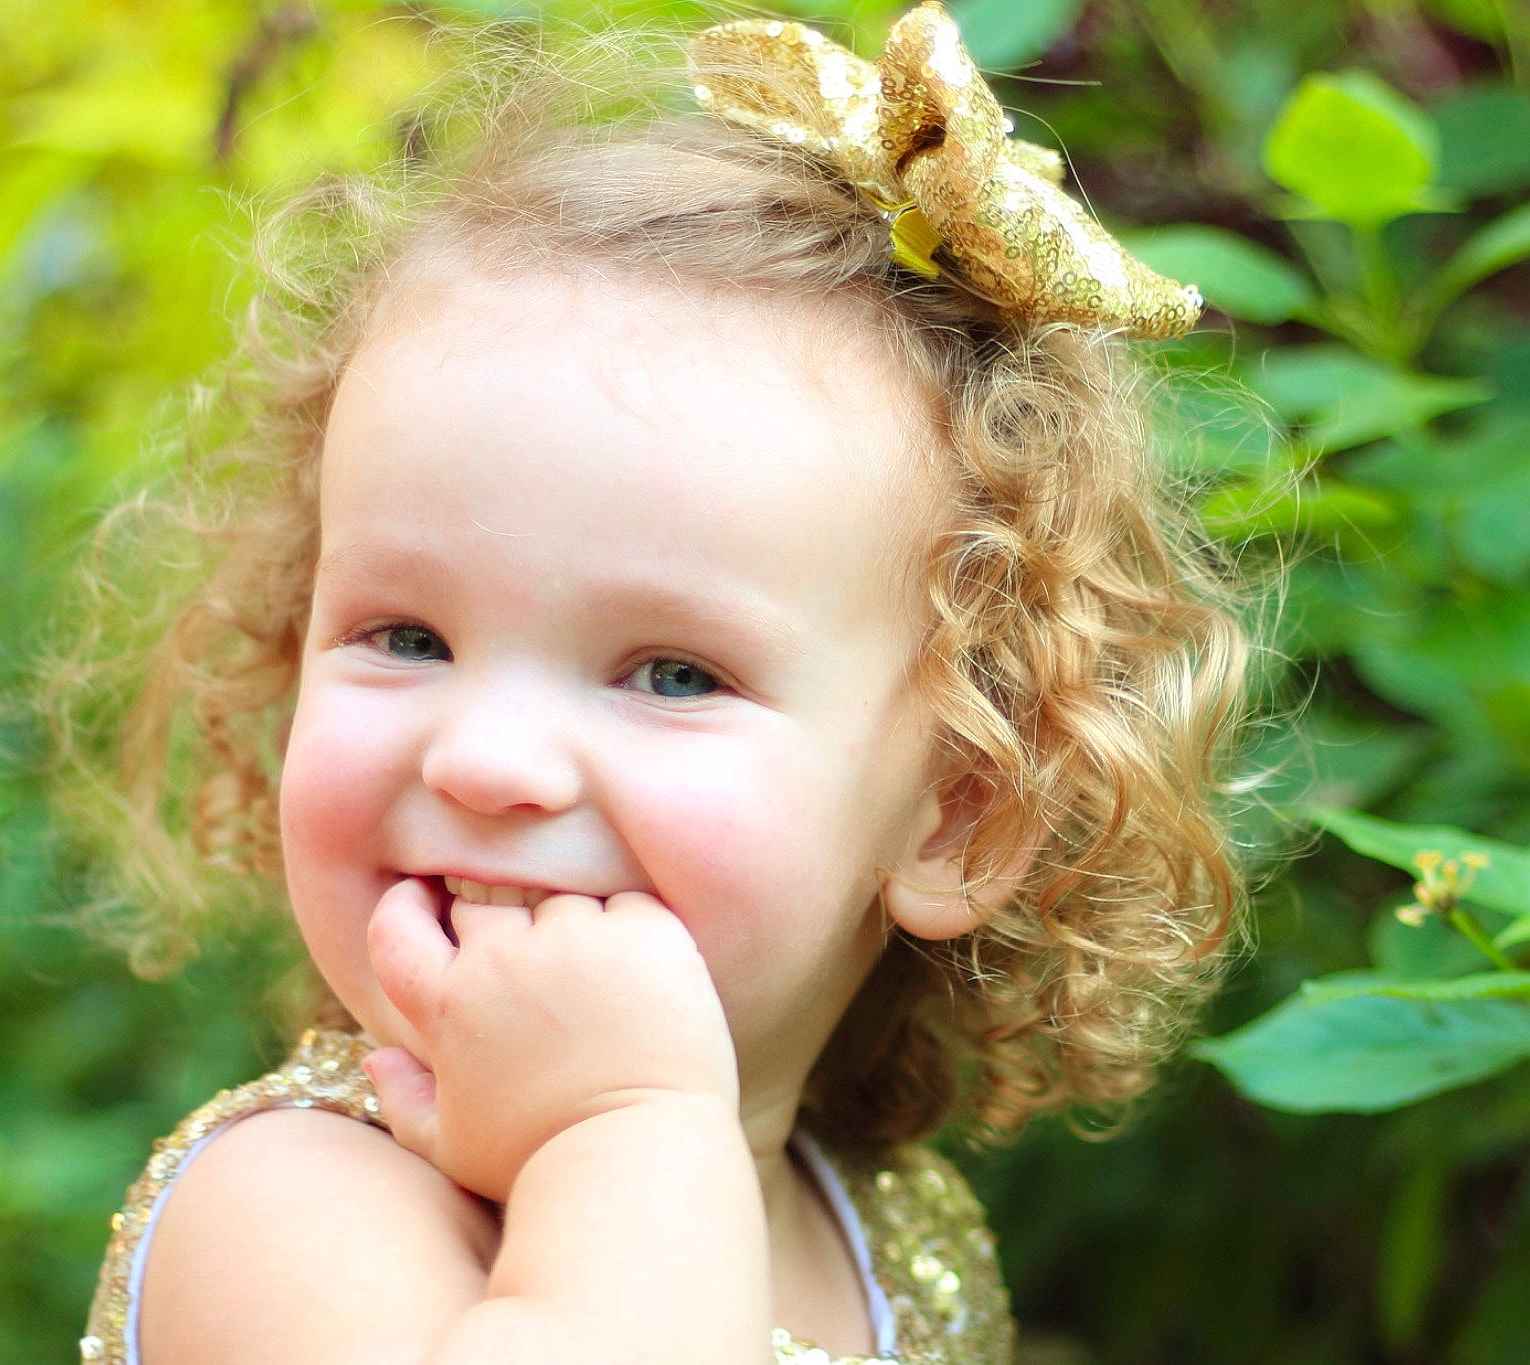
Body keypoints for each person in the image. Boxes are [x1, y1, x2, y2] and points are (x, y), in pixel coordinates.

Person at [63, 3, 1248, 1361]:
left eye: (673, 672)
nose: (487, 758)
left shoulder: (890, 1237)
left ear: (957, 811)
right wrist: (620, 1129)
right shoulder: (295, 1216)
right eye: (404, 636)